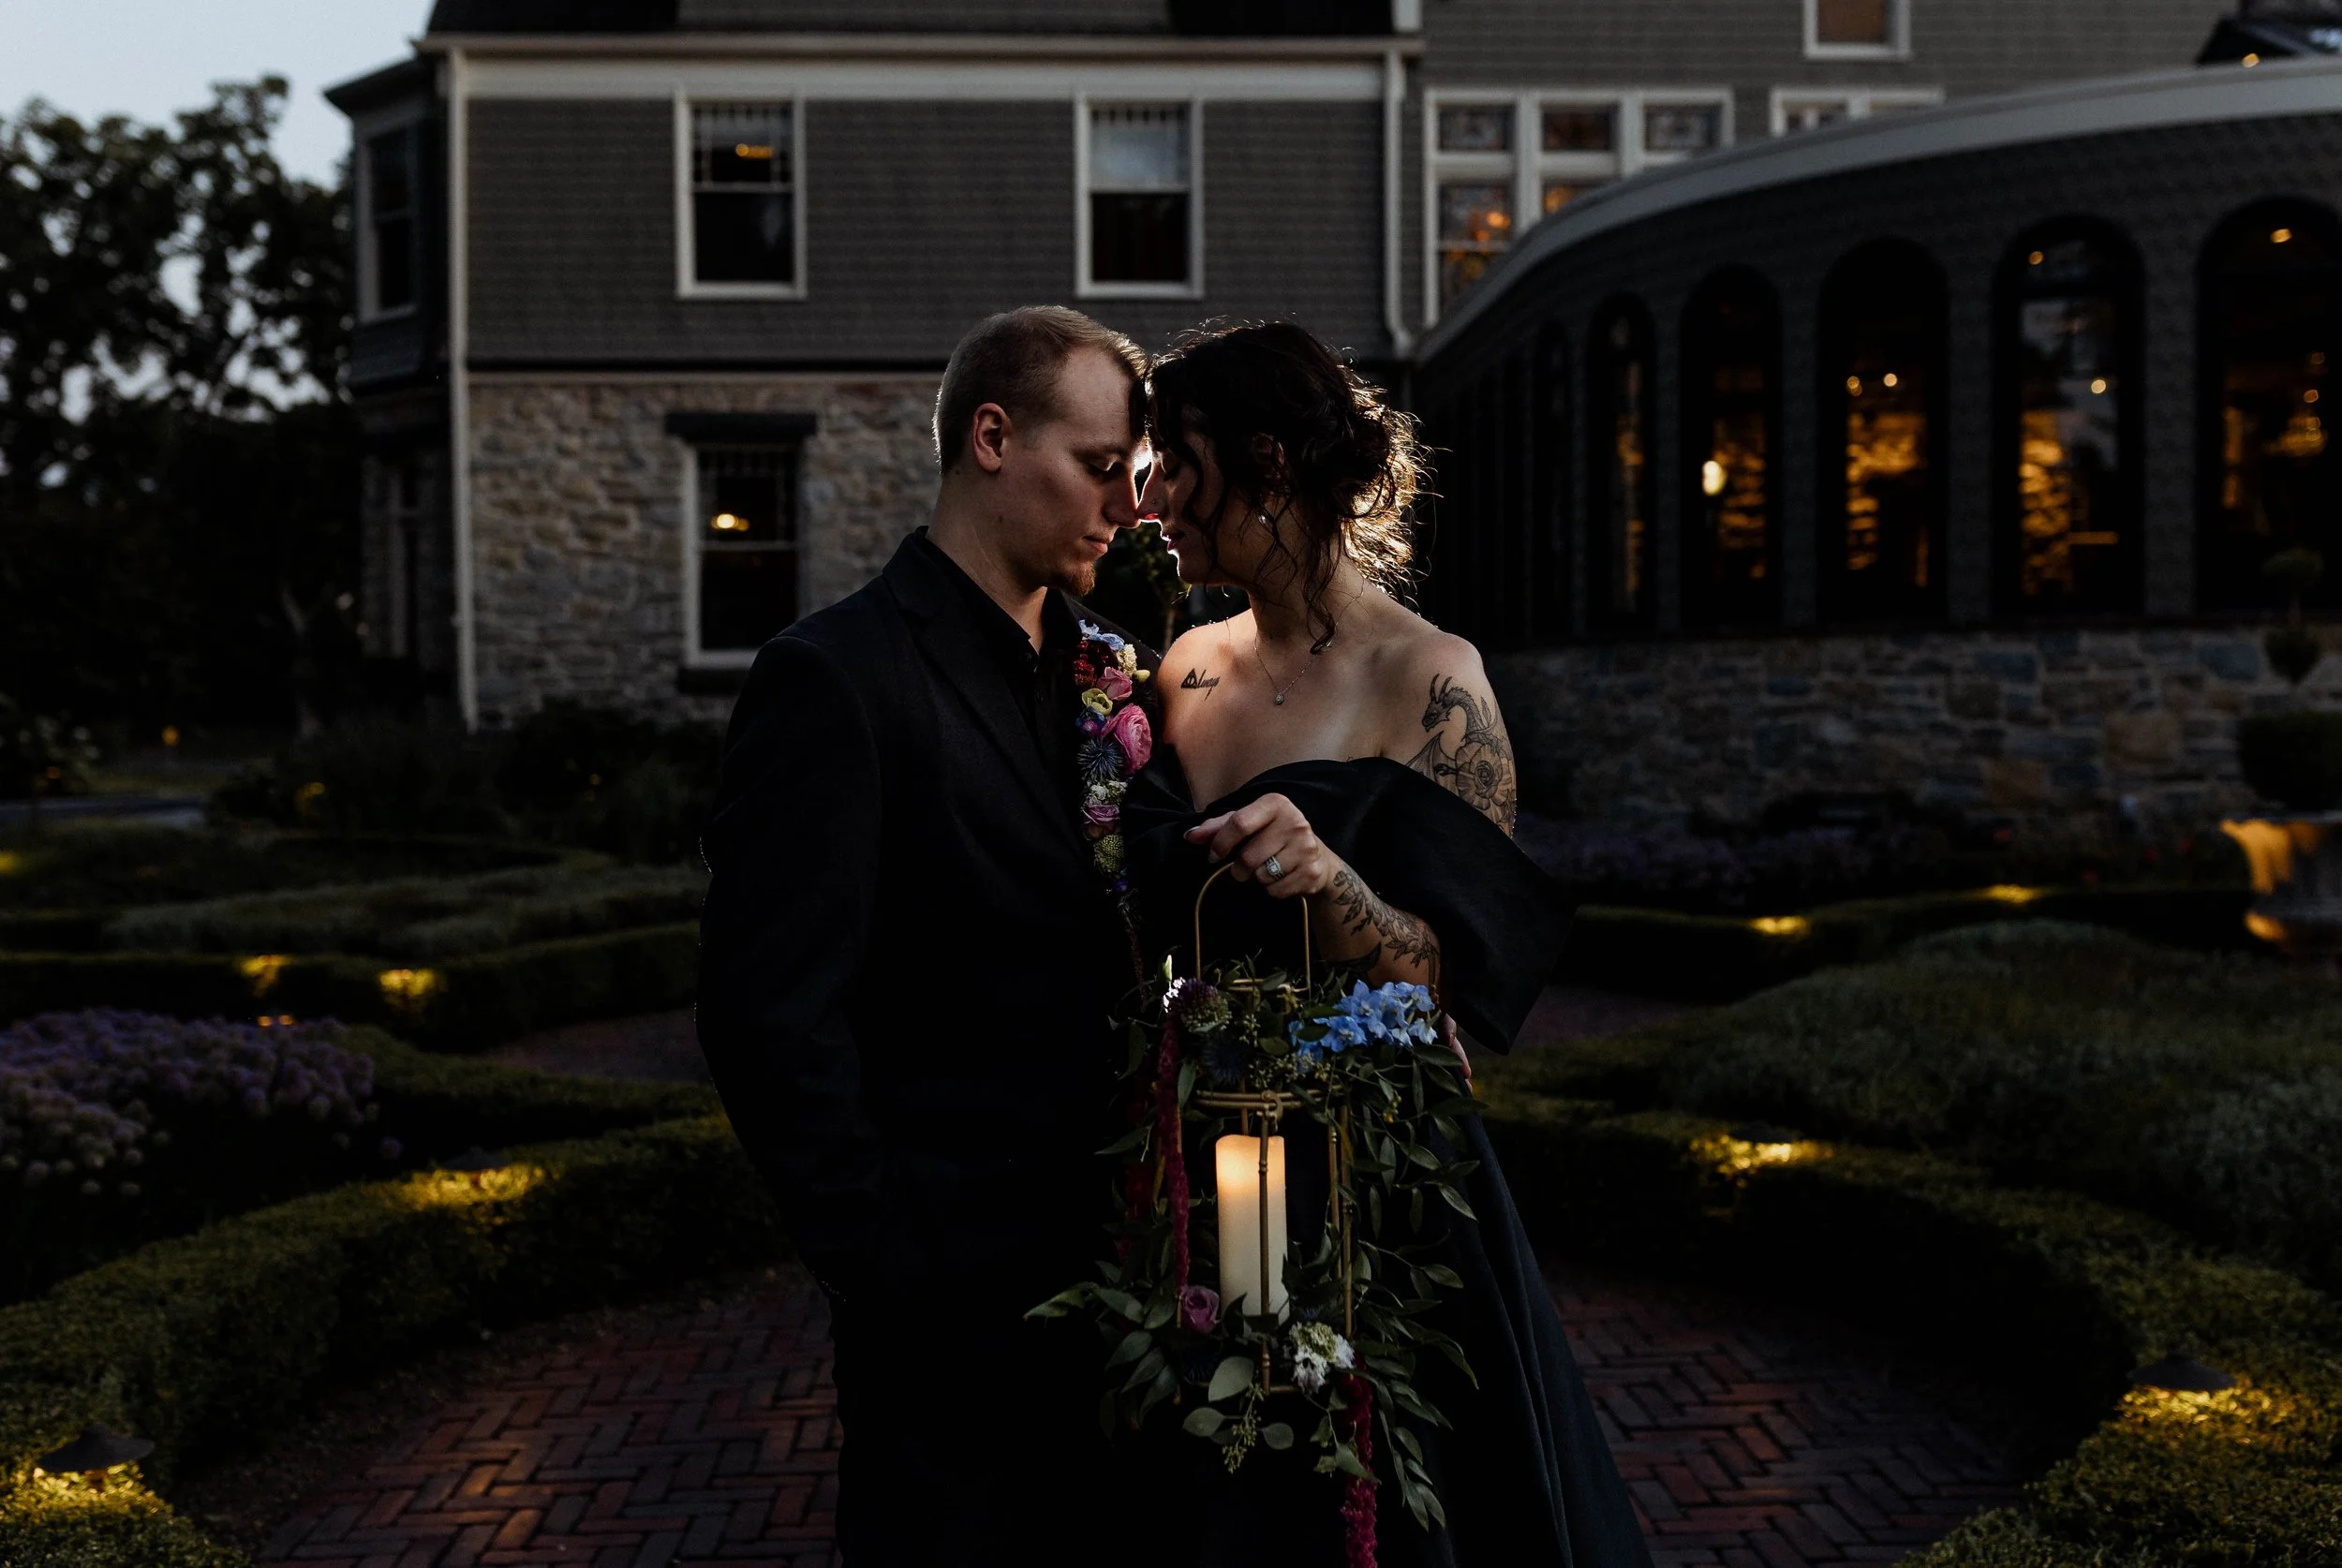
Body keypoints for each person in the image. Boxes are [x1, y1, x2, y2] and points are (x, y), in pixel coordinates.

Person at [1120, 321, 1655, 1566]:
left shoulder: (1434, 680)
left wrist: (1331, 881)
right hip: (1213, 1154)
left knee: (1383, 1483)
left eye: (1177, 467)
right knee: (1233, 1466)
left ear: (1266, 464)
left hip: (1374, 1173)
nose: (1152, 504)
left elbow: (1448, 981)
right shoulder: (1184, 667)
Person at [696, 305, 1160, 1565]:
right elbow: (768, 1014)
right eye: (1100, 465)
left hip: (1131, 1289)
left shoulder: (1121, 676)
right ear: (992, 438)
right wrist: (889, 1265)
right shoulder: (833, 677)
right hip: (943, 1316)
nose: (1127, 505)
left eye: (1135, 473)